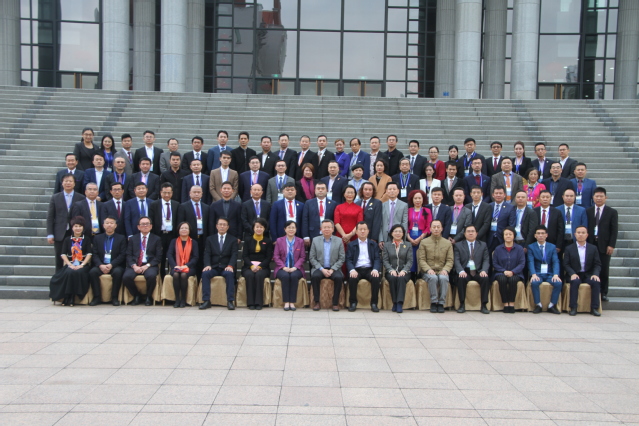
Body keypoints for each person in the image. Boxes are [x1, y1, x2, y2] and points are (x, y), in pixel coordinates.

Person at [49, 216, 93, 306]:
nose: (78, 228)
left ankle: (70, 297)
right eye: (76, 226)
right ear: (72, 227)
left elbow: (89, 254)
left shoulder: (86, 239)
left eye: (80, 226)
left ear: (83, 227)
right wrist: (70, 264)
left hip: (82, 265)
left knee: (76, 272)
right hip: (70, 264)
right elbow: (63, 254)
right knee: (69, 272)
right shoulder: (67, 239)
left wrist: (82, 265)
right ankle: (68, 296)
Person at [47, 174, 86, 271]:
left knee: (75, 257)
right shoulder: (55, 197)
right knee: (59, 258)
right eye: (66, 181)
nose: (68, 183)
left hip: (75, 232)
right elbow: (50, 217)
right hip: (59, 232)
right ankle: (59, 278)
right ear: (62, 183)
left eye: (70, 181)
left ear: (74, 183)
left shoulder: (81, 197)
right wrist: (50, 234)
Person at [122, 216, 163, 306]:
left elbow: (158, 256)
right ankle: (137, 296)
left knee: (151, 276)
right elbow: (128, 254)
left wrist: (147, 266)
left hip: (149, 265)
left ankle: (148, 297)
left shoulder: (156, 239)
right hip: (135, 264)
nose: (145, 226)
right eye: (143, 224)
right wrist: (134, 266)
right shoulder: (133, 239)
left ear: (151, 226)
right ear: (138, 227)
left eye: (147, 224)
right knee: (126, 277)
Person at [586, 187, 618, 302]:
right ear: (593, 197)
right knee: (590, 267)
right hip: (590, 243)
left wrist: (611, 245)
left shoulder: (612, 212)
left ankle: (603, 292)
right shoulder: (588, 211)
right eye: (597, 196)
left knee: (604, 269)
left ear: (606, 197)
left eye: (601, 196)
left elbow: (614, 230)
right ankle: (591, 291)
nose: (599, 198)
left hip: (604, 245)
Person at [200, 217, 238, 310]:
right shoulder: (210, 239)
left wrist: (230, 265)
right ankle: (206, 301)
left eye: (224, 225)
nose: (222, 226)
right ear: (216, 226)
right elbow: (207, 253)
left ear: (228, 227)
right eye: (220, 224)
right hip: (213, 267)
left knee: (229, 274)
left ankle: (230, 301)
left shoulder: (233, 240)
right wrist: (207, 265)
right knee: (205, 274)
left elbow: (234, 254)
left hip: (226, 267)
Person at [564, 226, 602, 316]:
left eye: (583, 233)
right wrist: (572, 274)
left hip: (588, 274)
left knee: (596, 282)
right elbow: (566, 264)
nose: (580, 235)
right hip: (575, 273)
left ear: (587, 235)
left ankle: (594, 308)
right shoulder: (569, 248)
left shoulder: (593, 248)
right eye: (578, 233)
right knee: (575, 282)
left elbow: (597, 264)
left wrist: (595, 274)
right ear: (575, 234)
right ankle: (573, 307)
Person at [88, 216, 127, 306]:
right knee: (93, 272)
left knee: (117, 272)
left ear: (115, 225)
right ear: (103, 225)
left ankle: (114, 297)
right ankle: (97, 297)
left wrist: (111, 265)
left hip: (115, 265)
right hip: (101, 264)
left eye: (111, 223)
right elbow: (94, 254)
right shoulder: (97, 238)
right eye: (107, 223)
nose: (109, 225)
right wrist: (100, 265)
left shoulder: (121, 238)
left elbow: (122, 255)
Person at [417, 219, 454, 313]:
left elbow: (450, 260)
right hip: (428, 271)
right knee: (433, 278)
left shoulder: (447, 243)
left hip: (442, 270)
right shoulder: (424, 242)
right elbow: (421, 259)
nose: (436, 229)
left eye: (438, 227)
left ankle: (441, 303)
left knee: (443, 278)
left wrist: (445, 269)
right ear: (430, 229)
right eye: (434, 227)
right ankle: (434, 302)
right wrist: (428, 269)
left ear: (442, 229)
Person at [309, 219, 345, 311]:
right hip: (320, 268)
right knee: (315, 277)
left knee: (339, 278)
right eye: (324, 227)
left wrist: (332, 269)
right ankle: (317, 302)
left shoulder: (339, 240)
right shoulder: (315, 240)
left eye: (329, 227)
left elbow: (342, 258)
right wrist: (322, 269)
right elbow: (312, 258)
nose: (327, 229)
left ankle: (335, 303)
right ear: (321, 229)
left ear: (333, 229)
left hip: (334, 268)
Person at [346, 221, 382, 312]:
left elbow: (377, 259)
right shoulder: (351, 245)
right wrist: (352, 270)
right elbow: (348, 260)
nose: (362, 231)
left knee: (376, 278)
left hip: (369, 269)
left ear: (368, 231)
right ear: (356, 232)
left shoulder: (373, 244)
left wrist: (375, 269)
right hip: (356, 269)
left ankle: (374, 303)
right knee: (352, 278)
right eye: (360, 229)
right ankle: (353, 302)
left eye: (364, 229)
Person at [454, 225, 490, 314]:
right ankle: (462, 304)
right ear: (464, 234)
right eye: (468, 231)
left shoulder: (483, 245)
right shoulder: (458, 245)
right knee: (461, 279)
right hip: (465, 270)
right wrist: (461, 271)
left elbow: (486, 260)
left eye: (472, 231)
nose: (470, 233)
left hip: (478, 271)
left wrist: (484, 270)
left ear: (476, 233)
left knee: (485, 278)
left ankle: (484, 305)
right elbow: (456, 260)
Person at [528, 225, 563, 314]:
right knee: (534, 282)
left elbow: (555, 261)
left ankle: (552, 305)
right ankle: (538, 305)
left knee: (558, 283)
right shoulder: (531, 247)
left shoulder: (552, 247)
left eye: (543, 233)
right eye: (538, 233)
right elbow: (530, 261)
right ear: (535, 235)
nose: (540, 235)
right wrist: (533, 274)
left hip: (549, 273)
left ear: (546, 235)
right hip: (538, 273)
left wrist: (555, 274)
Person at [273, 221, 306, 311]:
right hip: (282, 267)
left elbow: (302, 257)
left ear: (296, 229)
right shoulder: (279, 240)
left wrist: (295, 267)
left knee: (294, 276)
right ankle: (286, 302)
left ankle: (292, 302)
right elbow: (276, 256)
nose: (291, 229)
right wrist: (284, 267)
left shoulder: (300, 241)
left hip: (296, 268)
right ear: (285, 229)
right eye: (289, 227)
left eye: (293, 227)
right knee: (285, 276)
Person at [242, 218, 274, 310]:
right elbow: (245, 256)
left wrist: (260, 266)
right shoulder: (247, 240)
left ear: (264, 229)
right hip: (249, 266)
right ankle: (250, 303)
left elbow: (268, 257)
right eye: (257, 227)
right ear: (253, 228)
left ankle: (258, 302)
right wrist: (251, 266)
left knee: (259, 275)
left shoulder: (268, 241)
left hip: (263, 267)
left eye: (261, 227)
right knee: (250, 275)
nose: (259, 229)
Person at [149, 183, 179, 278]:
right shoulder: (154, 204)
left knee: (172, 256)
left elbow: (179, 220)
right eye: (164, 192)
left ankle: (172, 276)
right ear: (160, 193)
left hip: (172, 235)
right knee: (160, 257)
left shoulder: (176, 205)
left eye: (169, 193)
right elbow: (151, 221)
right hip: (159, 235)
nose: (167, 195)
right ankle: (161, 278)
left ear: (172, 193)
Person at [177, 185, 209, 275]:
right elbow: (180, 223)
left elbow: (209, 224)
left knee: (201, 260)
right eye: (194, 192)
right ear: (190, 193)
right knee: (191, 260)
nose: (196, 194)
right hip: (189, 239)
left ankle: (200, 280)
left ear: (202, 194)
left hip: (202, 238)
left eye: (198, 192)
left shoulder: (206, 207)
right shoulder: (183, 206)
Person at [492, 227, 526, 313]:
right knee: (502, 279)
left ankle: (511, 303)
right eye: (506, 234)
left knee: (513, 280)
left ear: (514, 236)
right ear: (503, 236)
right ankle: (505, 304)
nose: (508, 236)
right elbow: (495, 263)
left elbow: (522, 263)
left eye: (510, 234)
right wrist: (504, 271)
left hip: (516, 273)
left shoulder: (519, 249)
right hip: (501, 272)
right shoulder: (498, 249)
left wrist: (513, 272)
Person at [167, 222, 199, 308]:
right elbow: (169, 254)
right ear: (178, 230)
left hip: (189, 267)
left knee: (183, 275)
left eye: (186, 228)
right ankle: (177, 299)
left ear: (189, 230)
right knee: (176, 274)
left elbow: (195, 257)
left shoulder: (193, 242)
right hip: (176, 266)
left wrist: (186, 265)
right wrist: (175, 266)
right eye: (182, 228)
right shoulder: (174, 241)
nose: (184, 230)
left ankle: (183, 299)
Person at [382, 225, 413, 313]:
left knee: (401, 279)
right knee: (392, 278)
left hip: (404, 271)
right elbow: (385, 260)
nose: (398, 233)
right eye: (395, 231)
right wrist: (391, 270)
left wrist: (404, 271)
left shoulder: (408, 245)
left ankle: (399, 303)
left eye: (400, 231)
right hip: (391, 271)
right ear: (392, 233)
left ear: (403, 234)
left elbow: (410, 261)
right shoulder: (387, 245)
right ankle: (394, 302)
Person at [406, 189, 432, 280]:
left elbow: (428, 226)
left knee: (420, 256)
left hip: (422, 237)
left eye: (419, 198)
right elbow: (405, 225)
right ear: (412, 199)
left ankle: (420, 275)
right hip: (409, 236)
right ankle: (411, 275)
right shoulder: (408, 210)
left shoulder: (427, 210)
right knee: (411, 256)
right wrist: (409, 238)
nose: (417, 200)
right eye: (415, 198)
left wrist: (420, 238)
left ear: (423, 199)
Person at [302, 181, 336, 246]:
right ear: (315, 191)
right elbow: (305, 220)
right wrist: (306, 236)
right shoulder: (308, 203)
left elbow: (334, 219)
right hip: (312, 233)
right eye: (318, 188)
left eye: (322, 188)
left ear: (326, 190)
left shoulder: (333, 203)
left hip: (328, 233)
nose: (320, 190)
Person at [487, 187, 516, 253]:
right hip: (489, 237)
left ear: (504, 195)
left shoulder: (510, 207)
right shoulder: (488, 206)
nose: (498, 195)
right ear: (493, 195)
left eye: (500, 193)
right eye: (496, 193)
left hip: (502, 237)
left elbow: (511, 224)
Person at [380, 182, 408, 247]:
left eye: (394, 189)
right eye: (390, 189)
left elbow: (404, 222)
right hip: (385, 236)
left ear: (398, 191)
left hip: (398, 235)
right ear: (386, 191)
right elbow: (380, 223)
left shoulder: (404, 205)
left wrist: (403, 238)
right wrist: (380, 239)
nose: (392, 191)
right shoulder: (382, 205)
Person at [359, 182, 383, 247]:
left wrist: (374, 238)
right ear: (362, 190)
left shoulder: (377, 203)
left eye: (370, 190)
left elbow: (377, 221)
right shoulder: (357, 203)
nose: (368, 192)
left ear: (373, 191)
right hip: (358, 235)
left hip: (370, 235)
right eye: (365, 189)